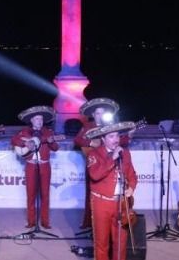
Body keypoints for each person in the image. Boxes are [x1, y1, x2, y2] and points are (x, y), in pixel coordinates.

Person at [73, 97, 133, 229]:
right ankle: (88, 222)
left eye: (102, 113)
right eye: (97, 113)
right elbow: (77, 140)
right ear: (93, 115)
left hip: (111, 162)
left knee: (110, 191)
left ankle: (112, 219)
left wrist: (129, 136)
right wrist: (90, 142)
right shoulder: (88, 126)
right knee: (90, 191)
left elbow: (120, 142)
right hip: (94, 163)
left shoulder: (110, 126)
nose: (100, 116)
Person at [86, 121, 138, 260]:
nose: (115, 139)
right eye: (111, 136)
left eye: (117, 136)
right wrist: (112, 159)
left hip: (121, 203)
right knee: (101, 242)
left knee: (120, 242)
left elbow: (132, 175)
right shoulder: (94, 154)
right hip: (101, 203)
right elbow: (95, 175)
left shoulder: (125, 153)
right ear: (103, 139)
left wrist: (131, 188)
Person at [11, 105, 58, 229]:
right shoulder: (24, 132)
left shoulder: (48, 132)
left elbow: (56, 148)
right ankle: (31, 221)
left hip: (44, 166)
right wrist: (26, 142)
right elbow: (14, 140)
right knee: (31, 194)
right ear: (31, 120)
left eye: (41, 119)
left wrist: (52, 141)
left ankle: (45, 221)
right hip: (31, 166)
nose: (40, 121)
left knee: (45, 194)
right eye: (37, 119)